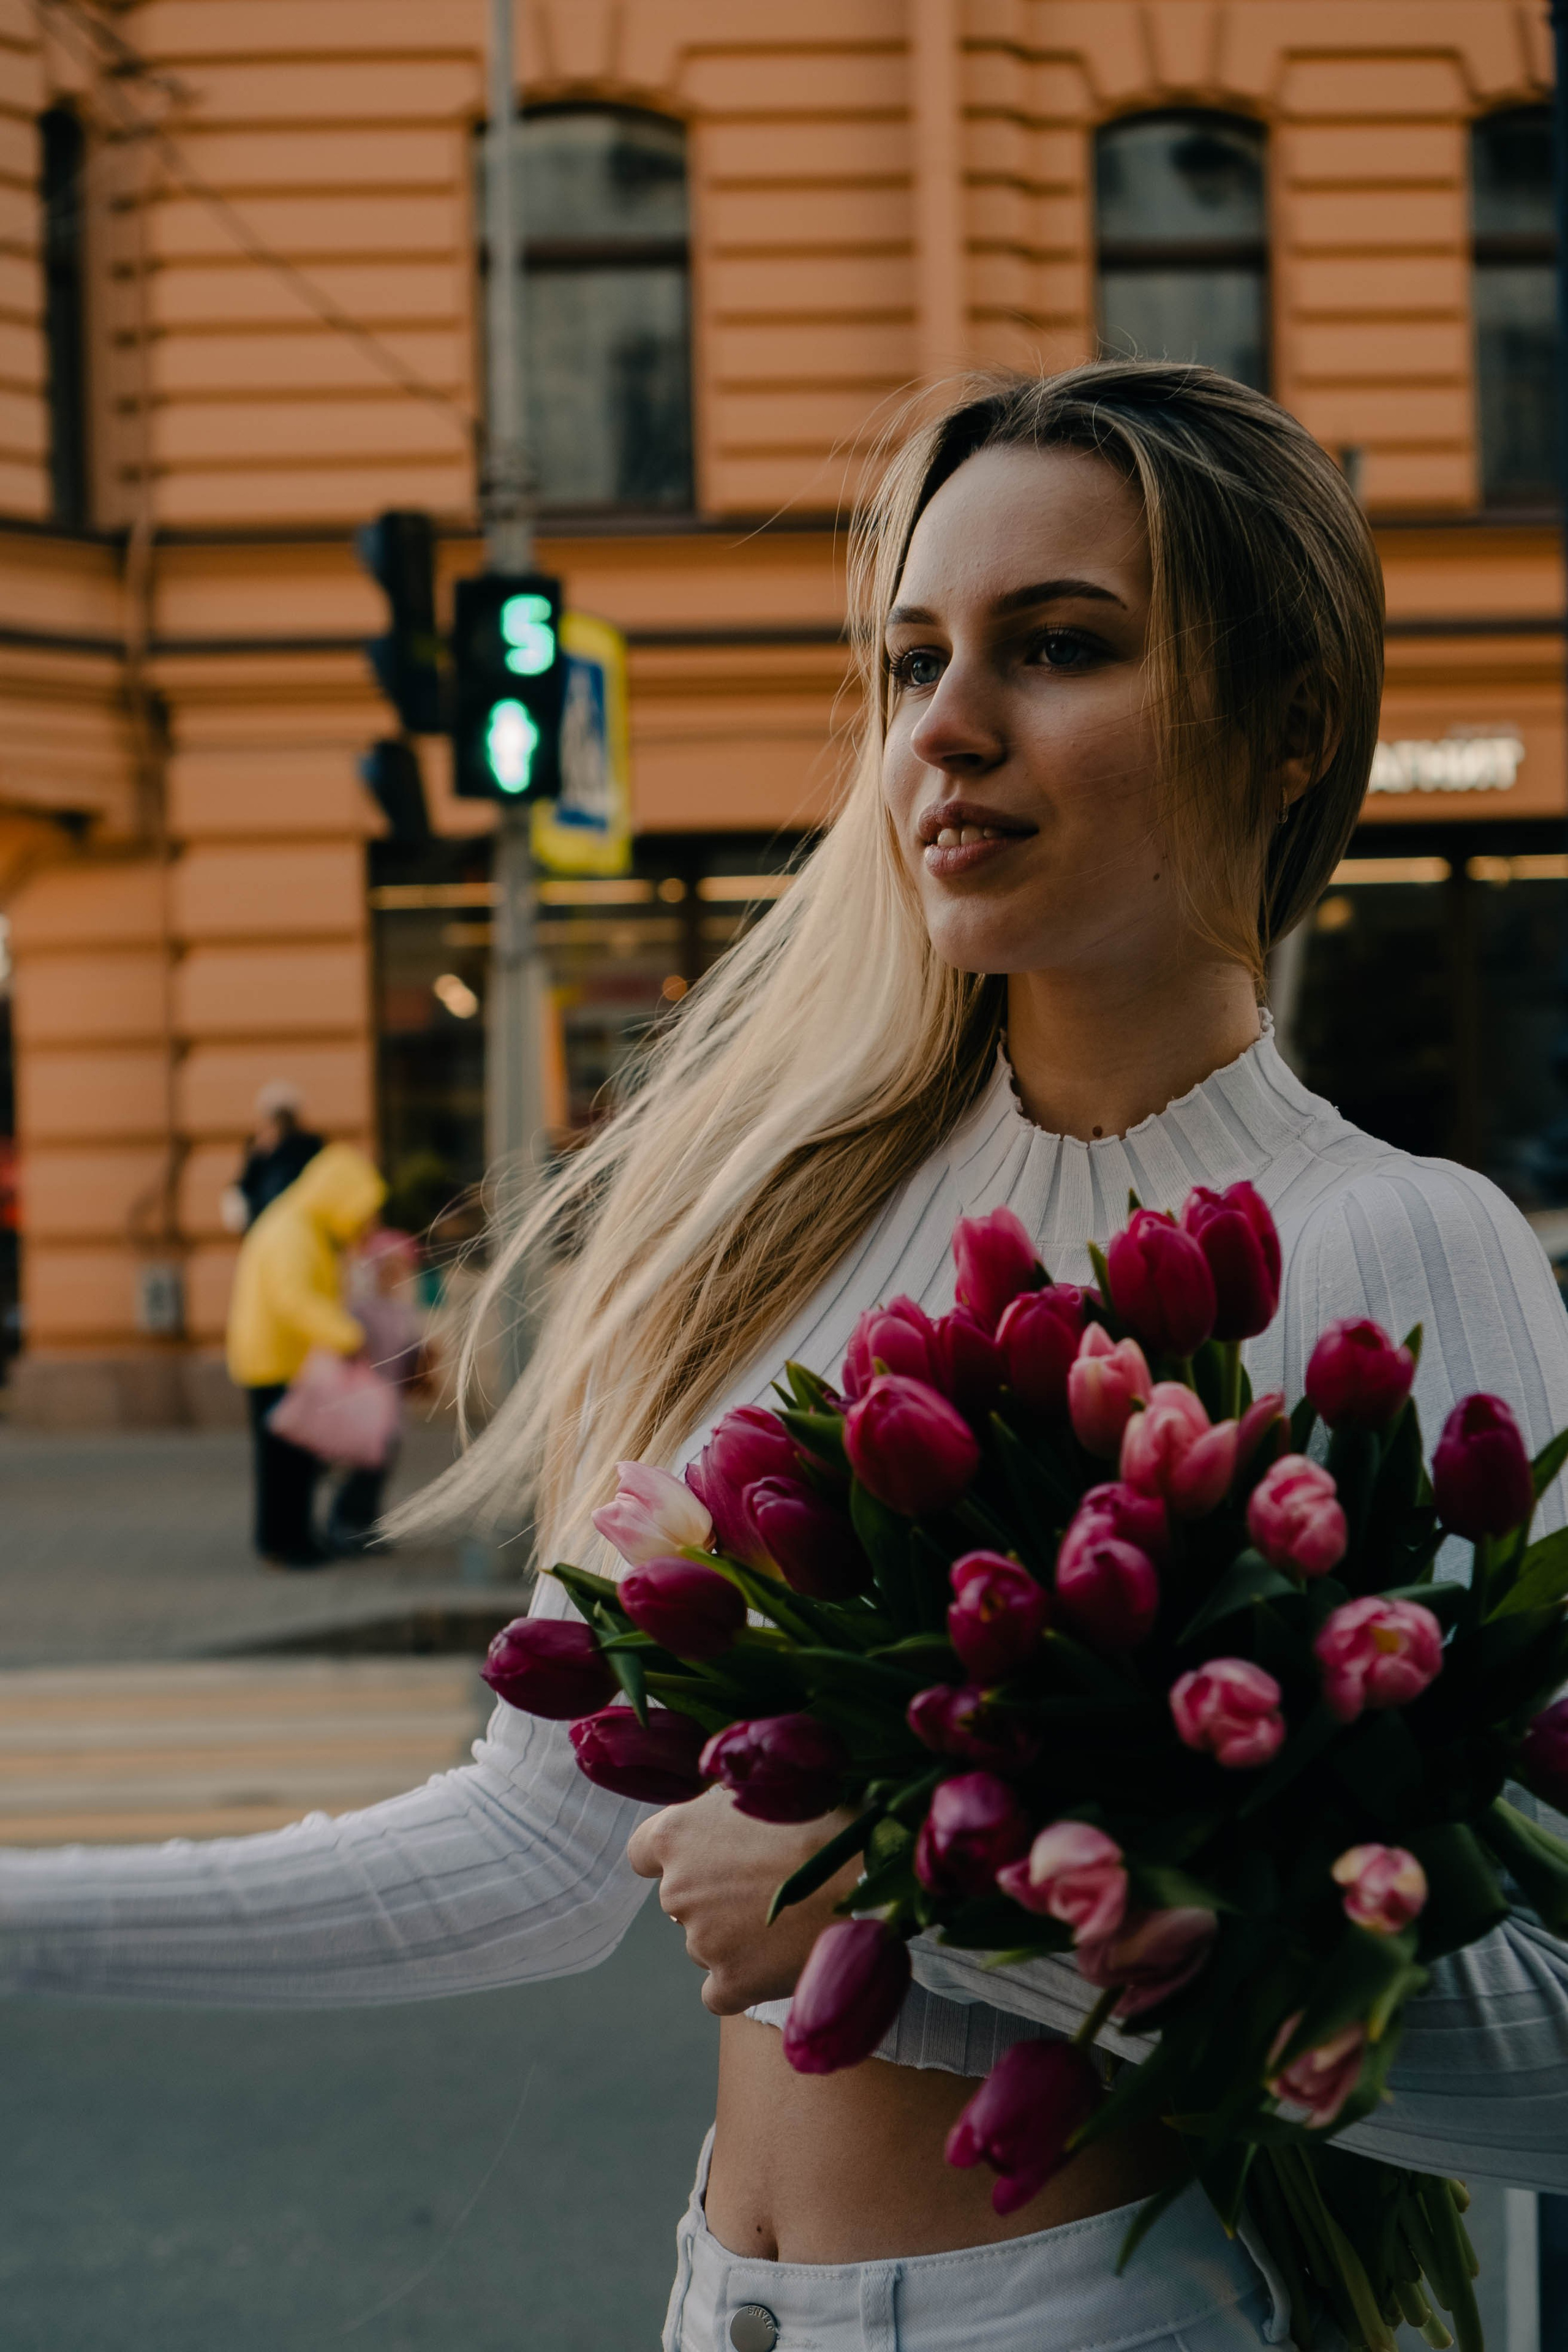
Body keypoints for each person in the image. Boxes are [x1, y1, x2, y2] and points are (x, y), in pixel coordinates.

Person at [4, 364, 1567, 2352]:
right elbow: (536, 1853)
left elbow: (1550, 2044)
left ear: (1290, 736)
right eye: (914, 658)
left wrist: (919, 1905)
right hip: (725, 2308)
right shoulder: (787, 1223)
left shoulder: (1394, 1248)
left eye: (1061, 646)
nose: (951, 729)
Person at [225, 1142, 388, 1568]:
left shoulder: (303, 1225)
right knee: (283, 1464)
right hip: (274, 1361)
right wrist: (346, 1335)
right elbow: (294, 1298)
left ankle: (293, 1540)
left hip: (282, 1358)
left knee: (292, 1461)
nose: (363, 1221)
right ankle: (284, 1544)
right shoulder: (294, 1231)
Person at [322, 1226, 428, 1556]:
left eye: (402, 1271)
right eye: (388, 1270)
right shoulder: (362, 1310)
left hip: (391, 1407)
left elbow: (412, 1351)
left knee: (381, 1469)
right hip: (364, 1404)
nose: (396, 1278)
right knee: (362, 1470)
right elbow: (345, 1347)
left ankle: (366, 1525)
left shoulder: (402, 1311)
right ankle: (344, 1524)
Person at [220, 1080, 325, 1234]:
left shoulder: (307, 1148)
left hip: (297, 1228)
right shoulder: (258, 1152)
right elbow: (244, 1190)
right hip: (266, 1228)